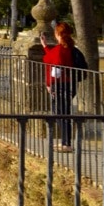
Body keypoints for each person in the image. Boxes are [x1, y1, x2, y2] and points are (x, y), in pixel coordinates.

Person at [41, 22, 76, 152]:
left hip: (59, 85)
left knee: (61, 114)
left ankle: (67, 144)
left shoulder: (59, 50)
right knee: (63, 113)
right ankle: (65, 142)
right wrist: (45, 46)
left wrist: (49, 85)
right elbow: (52, 57)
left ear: (58, 34)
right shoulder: (69, 48)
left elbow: (50, 62)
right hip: (69, 84)